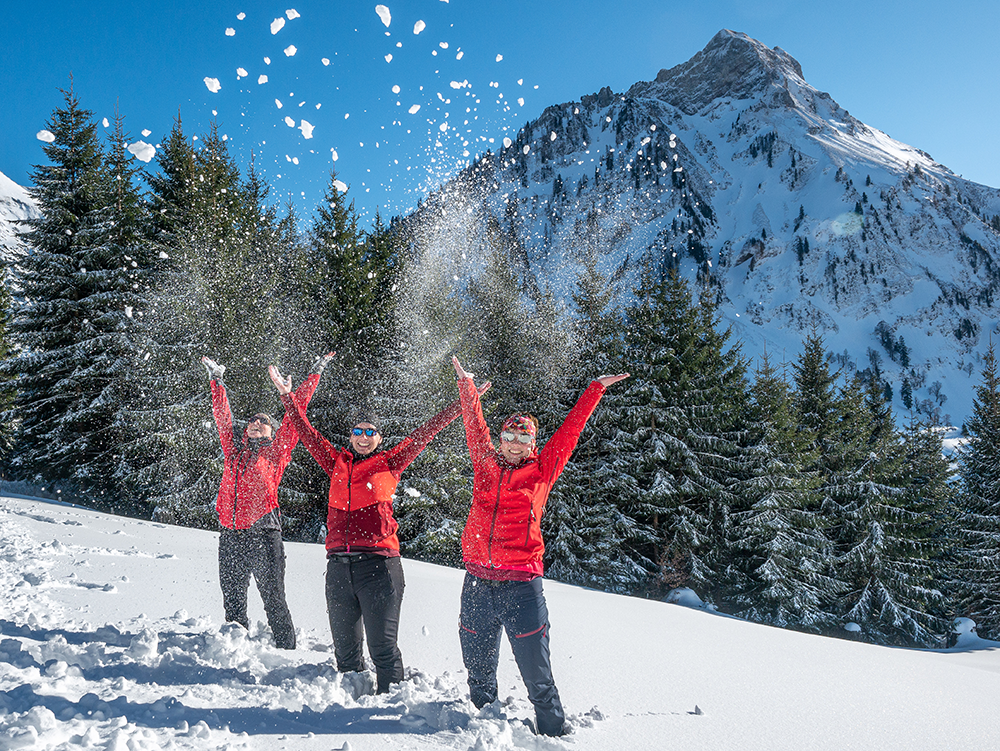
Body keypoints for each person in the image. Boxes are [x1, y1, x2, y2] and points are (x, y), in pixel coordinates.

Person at [268, 361, 491, 693]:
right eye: (357, 431)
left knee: (383, 650)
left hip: (379, 567)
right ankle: (344, 713)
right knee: (345, 654)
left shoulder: (391, 461)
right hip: (339, 569)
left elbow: (426, 432)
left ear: (379, 438)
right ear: (350, 437)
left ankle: (389, 713)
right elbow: (306, 431)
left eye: (370, 432)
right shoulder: (335, 462)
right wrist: (288, 397)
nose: (363, 437)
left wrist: (465, 398)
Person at [451, 356, 629, 737]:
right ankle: (483, 732)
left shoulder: (543, 468)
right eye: (509, 437)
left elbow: (569, 432)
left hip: (521, 585)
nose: (515, 445)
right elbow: (473, 427)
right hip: (478, 581)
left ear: (533, 442)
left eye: (524, 438)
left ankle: (552, 734)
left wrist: (594, 388)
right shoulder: (485, 463)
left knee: (537, 674)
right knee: (478, 670)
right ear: (501, 439)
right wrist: (468, 387)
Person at [202, 353, 331, 649]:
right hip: (231, 535)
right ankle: (235, 650)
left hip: (264, 534)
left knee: (273, 598)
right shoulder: (233, 452)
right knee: (233, 599)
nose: (256, 422)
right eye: (253, 420)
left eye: (264, 421)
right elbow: (222, 417)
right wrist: (216, 380)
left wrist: (314, 374)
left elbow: (295, 416)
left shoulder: (277, 452)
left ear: (272, 431)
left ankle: (287, 650)